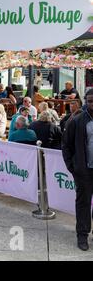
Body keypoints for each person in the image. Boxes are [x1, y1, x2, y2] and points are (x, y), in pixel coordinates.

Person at [62, 88, 93, 251]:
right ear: (85, 102)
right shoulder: (77, 120)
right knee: (83, 203)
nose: (92, 104)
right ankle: (82, 235)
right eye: (89, 101)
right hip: (84, 171)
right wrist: (72, 167)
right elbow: (66, 145)